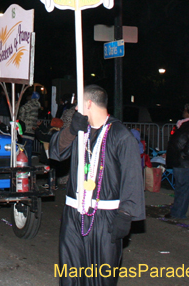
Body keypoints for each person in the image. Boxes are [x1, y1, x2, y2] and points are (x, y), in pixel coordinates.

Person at [49, 85, 145, 286]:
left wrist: (126, 214)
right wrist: (71, 130)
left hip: (105, 220)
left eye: (78, 104)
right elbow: (55, 152)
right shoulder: (79, 132)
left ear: (89, 104)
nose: (75, 109)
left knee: (100, 279)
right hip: (74, 216)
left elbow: (133, 176)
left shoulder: (120, 135)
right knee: (70, 277)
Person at [164, 103, 189, 220]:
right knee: (181, 188)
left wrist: (182, 156)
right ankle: (176, 211)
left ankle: (178, 213)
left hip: (186, 163)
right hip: (184, 162)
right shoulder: (187, 124)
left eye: (185, 110)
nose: (183, 112)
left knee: (183, 189)